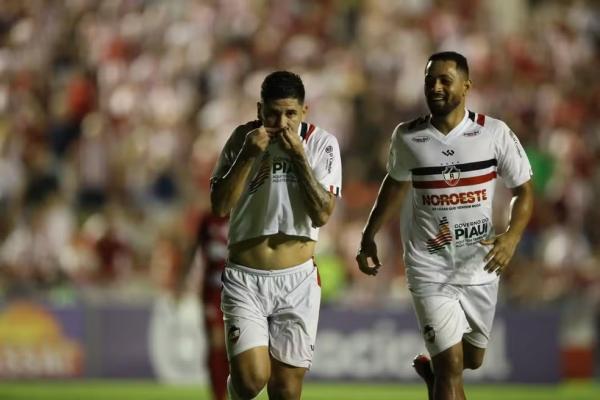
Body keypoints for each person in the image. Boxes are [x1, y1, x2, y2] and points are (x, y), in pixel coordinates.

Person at [356, 51, 533, 400]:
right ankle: (439, 374)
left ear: (466, 86)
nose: (435, 87)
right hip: (429, 265)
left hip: (479, 264)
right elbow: (393, 186)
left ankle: (434, 376)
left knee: (473, 360)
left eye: (444, 80)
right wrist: (368, 235)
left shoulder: (494, 133)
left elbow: (524, 192)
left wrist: (511, 237)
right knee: (451, 369)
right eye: (429, 81)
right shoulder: (407, 136)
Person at [210, 70, 342, 400]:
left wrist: (298, 157)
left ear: (304, 111)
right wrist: (247, 156)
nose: (281, 123)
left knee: (285, 390)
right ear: (259, 110)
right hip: (245, 277)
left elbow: (323, 214)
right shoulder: (242, 140)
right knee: (252, 380)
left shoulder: (322, 144)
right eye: (273, 113)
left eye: (290, 114)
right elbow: (220, 206)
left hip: (297, 280)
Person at [176, 212, 230, 400]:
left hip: (238, 289)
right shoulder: (207, 220)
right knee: (216, 342)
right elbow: (195, 248)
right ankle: (218, 394)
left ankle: (229, 390)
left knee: (232, 345)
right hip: (213, 290)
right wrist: (183, 279)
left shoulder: (243, 215)